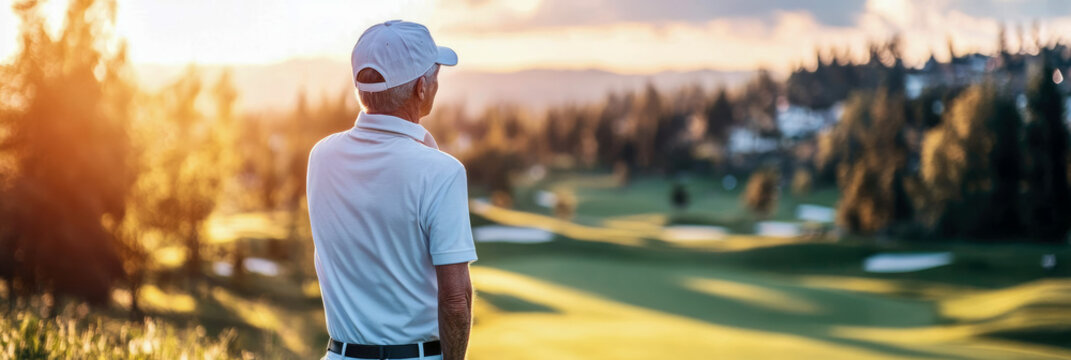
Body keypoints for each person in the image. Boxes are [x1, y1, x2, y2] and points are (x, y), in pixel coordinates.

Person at [306, 20, 476, 360]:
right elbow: (456, 303)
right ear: (420, 89)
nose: (436, 82)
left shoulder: (321, 156)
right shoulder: (442, 172)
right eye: (435, 74)